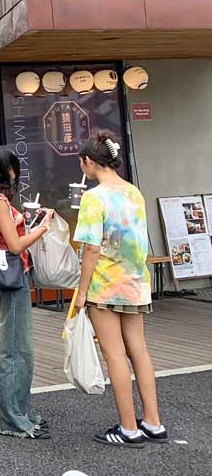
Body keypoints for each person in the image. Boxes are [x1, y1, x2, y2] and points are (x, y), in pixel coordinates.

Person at [74, 131, 165, 448]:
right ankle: (152, 422)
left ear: (88, 162)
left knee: (114, 354)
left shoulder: (93, 197)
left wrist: (82, 291)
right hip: (136, 283)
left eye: (82, 164)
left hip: (105, 286)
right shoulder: (133, 192)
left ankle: (128, 428)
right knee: (139, 350)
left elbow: (90, 249)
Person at [0, 146, 54, 439]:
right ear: (6, 170)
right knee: (16, 349)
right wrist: (43, 228)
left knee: (17, 347)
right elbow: (16, 246)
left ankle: (19, 413)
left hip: (5, 277)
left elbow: (5, 238)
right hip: (11, 279)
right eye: (13, 167)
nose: (15, 172)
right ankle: (14, 419)